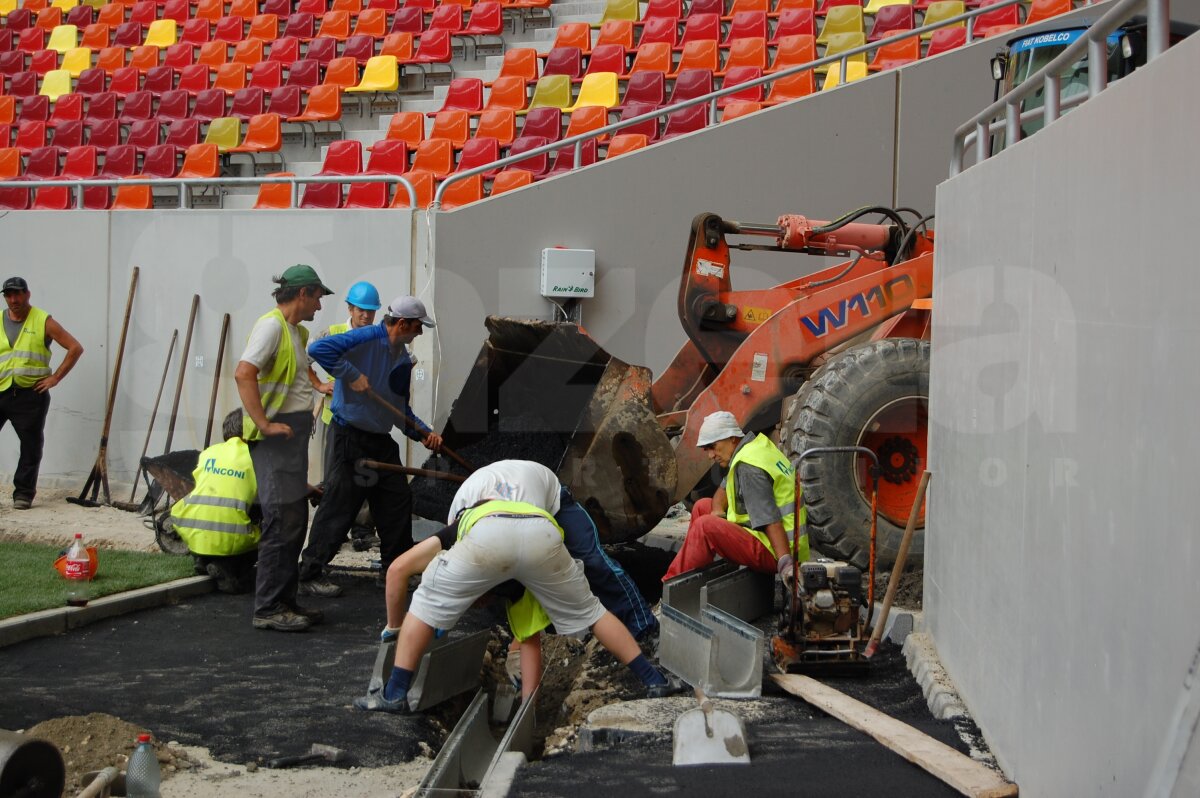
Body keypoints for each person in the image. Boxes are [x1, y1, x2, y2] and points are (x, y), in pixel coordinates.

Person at [355, 460, 683, 713]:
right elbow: (529, 639)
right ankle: (654, 679)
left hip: (523, 511)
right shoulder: (520, 591)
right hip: (541, 531)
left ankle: (394, 694)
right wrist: (529, 710)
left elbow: (397, 569)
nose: (481, 605)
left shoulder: (458, 521)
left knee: (424, 604)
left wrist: (396, 628)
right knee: (594, 613)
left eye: (480, 601)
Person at [297, 295, 442, 599]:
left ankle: (393, 571)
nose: (419, 333)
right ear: (402, 323)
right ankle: (310, 572)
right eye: (417, 327)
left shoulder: (402, 360)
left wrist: (424, 434)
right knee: (340, 503)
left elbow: (399, 410)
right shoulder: (365, 338)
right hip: (349, 434)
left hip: (379, 440)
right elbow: (317, 349)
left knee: (397, 502)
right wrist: (350, 375)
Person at [234, 264, 333, 633]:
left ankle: (286, 601)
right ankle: (269, 607)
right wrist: (263, 424)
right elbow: (244, 372)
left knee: (293, 521)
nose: (320, 306)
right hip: (275, 439)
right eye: (319, 297)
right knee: (280, 521)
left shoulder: (296, 332)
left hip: (290, 438)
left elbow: (297, 377)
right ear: (304, 293)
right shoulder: (272, 327)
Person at [661, 410, 807, 586]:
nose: (710, 455)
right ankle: (698, 574)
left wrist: (785, 564)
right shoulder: (752, 448)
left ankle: (670, 585)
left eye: (713, 446)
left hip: (779, 549)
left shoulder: (748, 467)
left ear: (731, 438)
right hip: (772, 539)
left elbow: (771, 521)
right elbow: (724, 489)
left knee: (705, 526)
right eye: (706, 449)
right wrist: (716, 510)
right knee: (702, 507)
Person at [0, 277, 84, 510]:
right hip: (1, 390)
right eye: (8, 295)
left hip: (30, 395)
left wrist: (55, 377)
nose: (13, 299)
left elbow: (75, 347)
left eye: (17, 294)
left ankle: (23, 494)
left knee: (30, 445)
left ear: (28, 294)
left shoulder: (43, 320)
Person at [169, 410, 260, 595]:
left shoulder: (209, 452)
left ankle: (203, 559)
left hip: (190, 527)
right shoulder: (256, 457)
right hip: (231, 536)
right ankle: (232, 575)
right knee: (268, 527)